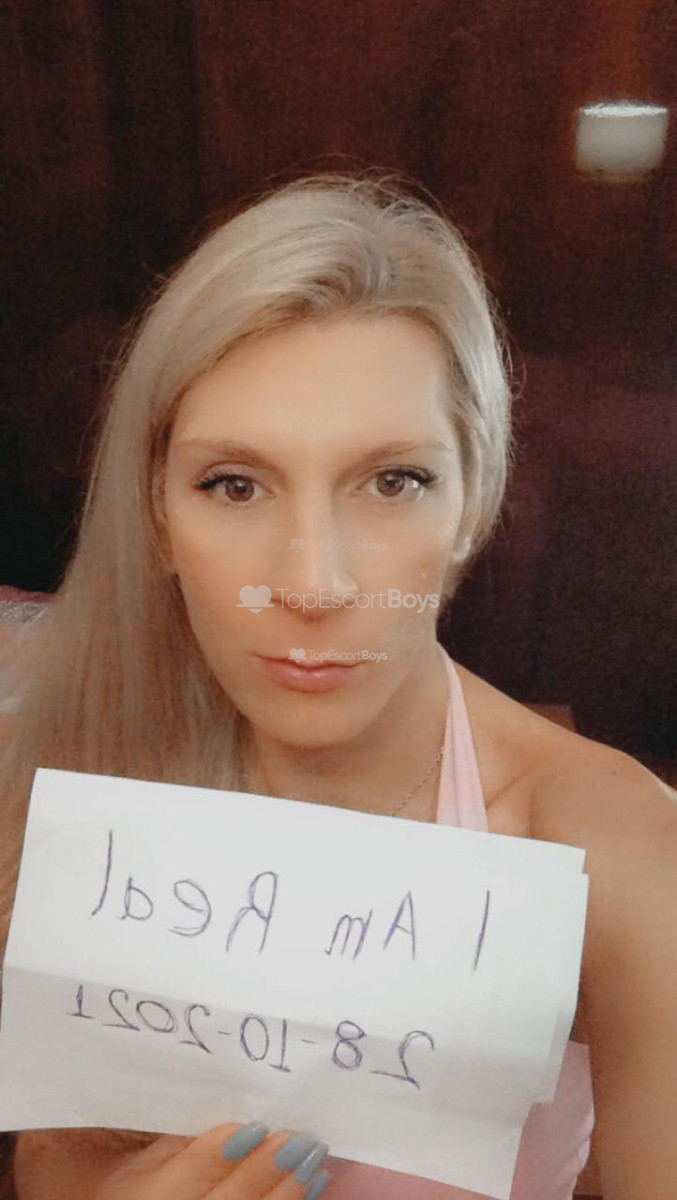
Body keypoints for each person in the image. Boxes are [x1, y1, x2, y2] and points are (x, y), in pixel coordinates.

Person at [1, 171, 676, 1200]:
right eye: (234, 484)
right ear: (157, 517)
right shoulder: (76, 787)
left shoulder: (619, 854)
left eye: (393, 481)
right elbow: (53, 1159)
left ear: (471, 504)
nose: (313, 584)